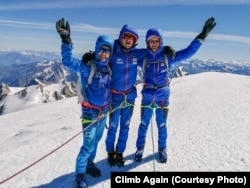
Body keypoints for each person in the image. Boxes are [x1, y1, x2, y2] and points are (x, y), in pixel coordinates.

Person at [134, 17, 216, 163]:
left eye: (156, 40)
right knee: (143, 124)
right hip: (147, 97)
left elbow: (188, 52)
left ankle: (162, 148)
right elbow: (128, 55)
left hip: (162, 98)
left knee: (162, 125)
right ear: (147, 43)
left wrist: (201, 36)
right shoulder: (143, 58)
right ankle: (140, 148)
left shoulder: (169, 56)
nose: (154, 43)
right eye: (151, 41)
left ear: (161, 42)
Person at [104, 25, 176, 167]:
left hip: (130, 97)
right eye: (125, 36)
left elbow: (153, 52)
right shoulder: (112, 52)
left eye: (131, 37)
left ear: (135, 40)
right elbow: (101, 56)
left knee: (125, 126)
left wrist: (166, 49)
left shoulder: (137, 54)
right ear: (120, 37)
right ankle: (110, 153)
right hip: (115, 97)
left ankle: (120, 152)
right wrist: (91, 55)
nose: (128, 39)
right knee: (113, 126)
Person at [56, 18, 114, 188]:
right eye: (102, 50)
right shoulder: (87, 66)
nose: (104, 54)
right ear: (96, 49)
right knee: (88, 144)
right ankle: (80, 175)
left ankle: (89, 164)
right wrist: (66, 41)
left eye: (107, 51)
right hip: (89, 112)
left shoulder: (109, 68)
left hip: (103, 112)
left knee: (96, 141)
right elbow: (68, 62)